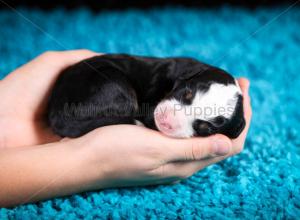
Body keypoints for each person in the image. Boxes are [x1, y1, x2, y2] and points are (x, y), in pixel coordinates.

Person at [0, 50, 252, 207]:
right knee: (118, 92)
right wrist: (90, 162)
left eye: (202, 127)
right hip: (86, 88)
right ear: (184, 79)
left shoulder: (190, 78)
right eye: (184, 96)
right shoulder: (171, 73)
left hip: (72, 104)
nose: (171, 118)